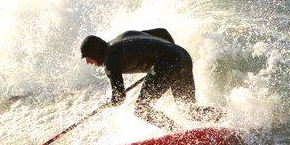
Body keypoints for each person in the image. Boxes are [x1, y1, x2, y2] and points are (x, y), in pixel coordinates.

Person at [80, 29, 223, 131]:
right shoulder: (124, 36)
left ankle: (179, 134)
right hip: (182, 55)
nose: (88, 62)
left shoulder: (110, 60)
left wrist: (109, 103)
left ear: (95, 52)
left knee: (141, 109)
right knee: (189, 110)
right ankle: (226, 116)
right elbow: (163, 33)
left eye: (88, 57)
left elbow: (119, 97)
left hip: (167, 63)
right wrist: (170, 58)